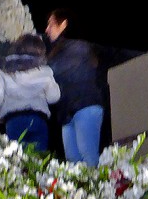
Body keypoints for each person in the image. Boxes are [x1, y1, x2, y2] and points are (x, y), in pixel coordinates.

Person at [45, 9, 105, 166]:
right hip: (67, 113)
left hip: (85, 106)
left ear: (63, 24)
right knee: (72, 162)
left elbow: (56, 69)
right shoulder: (57, 52)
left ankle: (95, 189)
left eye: (51, 24)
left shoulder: (78, 47)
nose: (47, 29)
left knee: (89, 157)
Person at [0, 33, 60, 153]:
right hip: (38, 118)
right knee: (38, 162)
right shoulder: (45, 71)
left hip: (14, 120)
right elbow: (53, 97)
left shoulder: (4, 71)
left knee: (18, 160)